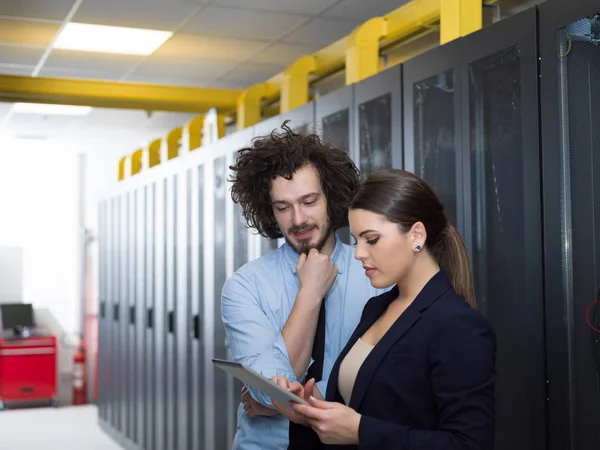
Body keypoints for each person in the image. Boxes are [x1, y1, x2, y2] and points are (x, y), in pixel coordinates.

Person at [271, 169, 497, 450]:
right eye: (356, 240)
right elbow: (370, 405)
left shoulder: (458, 325)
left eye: (372, 239)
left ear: (416, 235)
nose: (358, 253)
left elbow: (469, 444)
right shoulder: (377, 307)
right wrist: (312, 409)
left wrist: (360, 431)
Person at [222, 123, 387, 450]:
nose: (297, 219)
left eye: (309, 201)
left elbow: (392, 385)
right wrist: (310, 293)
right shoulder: (245, 286)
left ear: (331, 197)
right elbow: (268, 389)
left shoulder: (377, 273)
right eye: (283, 207)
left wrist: (281, 404)